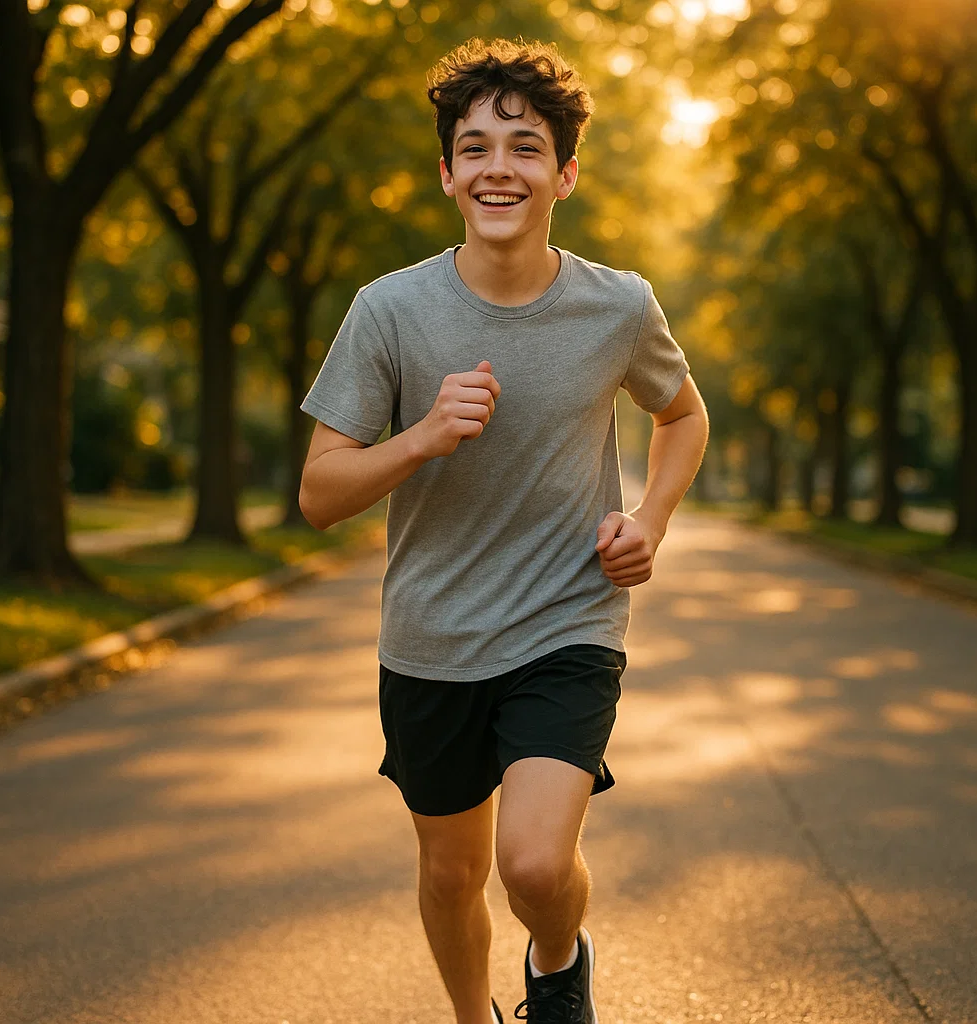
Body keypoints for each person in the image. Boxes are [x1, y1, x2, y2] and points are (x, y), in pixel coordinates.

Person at [298, 37, 710, 1024]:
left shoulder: (618, 307)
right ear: (446, 173)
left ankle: (559, 962)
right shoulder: (388, 311)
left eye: (524, 147)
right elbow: (319, 492)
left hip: (566, 625)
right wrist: (420, 439)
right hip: (431, 637)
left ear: (563, 172)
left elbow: (682, 414)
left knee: (530, 862)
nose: (497, 168)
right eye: (474, 147)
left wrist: (646, 519)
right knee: (451, 872)